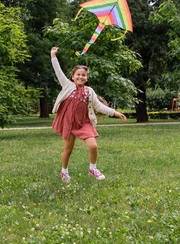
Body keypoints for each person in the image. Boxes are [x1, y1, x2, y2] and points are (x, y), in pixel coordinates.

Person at [50, 47, 126, 182]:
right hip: (69, 123)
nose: (80, 77)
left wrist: (115, 113)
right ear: (72, 77)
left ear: (87, 78)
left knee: (93, 146)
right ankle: (64, 171)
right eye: (78, 74)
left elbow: (98, 106)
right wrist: (53, 56)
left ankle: (93, 168)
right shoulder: (67, 85)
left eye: (83, 75)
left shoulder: (89, 91)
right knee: (68, 150)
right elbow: (58, 71)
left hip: (83, 123)